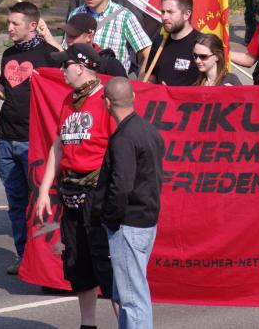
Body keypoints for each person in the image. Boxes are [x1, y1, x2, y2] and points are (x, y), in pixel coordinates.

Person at [0, 1, 58, 274]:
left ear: (32, 25)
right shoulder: (8, 55)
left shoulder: (49, 54)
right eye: (9, 23)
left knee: (40, 200)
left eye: (15, 23)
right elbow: (4, 92)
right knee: (16, 203)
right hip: (6, 139)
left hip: (35, 141)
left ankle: (48, 256)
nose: (10, 28)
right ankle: (24, 255)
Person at [36, 44, 116, 328]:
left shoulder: (106, 99)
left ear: (80, 67)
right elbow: (58, 145)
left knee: (107, 267)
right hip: (70, 191)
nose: (62, 71)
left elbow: (118, 148)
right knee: (78, 264)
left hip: (97, 193)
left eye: (65, 65)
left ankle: (127, 324)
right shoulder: (68, 100)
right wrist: (45, 190)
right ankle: (88, 324)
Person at [92, 78, 164, 329]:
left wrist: (111, 219)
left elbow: (121, 186)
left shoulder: (124, 138)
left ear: (107, 103)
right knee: (125, 295)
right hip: (145, 221)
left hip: (128, 225)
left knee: (132, 299)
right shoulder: (148, 130)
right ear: (133, 98)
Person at [64, 0, 152, 75]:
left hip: (112, 84)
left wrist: (140, 84)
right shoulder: (75, 14)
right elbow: (65, 50)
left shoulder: (124, 16)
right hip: (80, 82)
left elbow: (147, 53)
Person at [43, 12, 127, 78]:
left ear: (89, 36)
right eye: (67, 35)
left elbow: (124, 93)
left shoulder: (110, 65)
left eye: (73, 36)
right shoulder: (60, 60)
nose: (68, 40)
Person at [146, 0, 200, 86]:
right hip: (161, 100)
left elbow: (212, 84)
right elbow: (151, 78)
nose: (164, 17)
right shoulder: (159, 41)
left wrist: (173, 94)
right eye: (163, 12)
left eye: (170, 12)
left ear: (186, 15)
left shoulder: (201, 44)